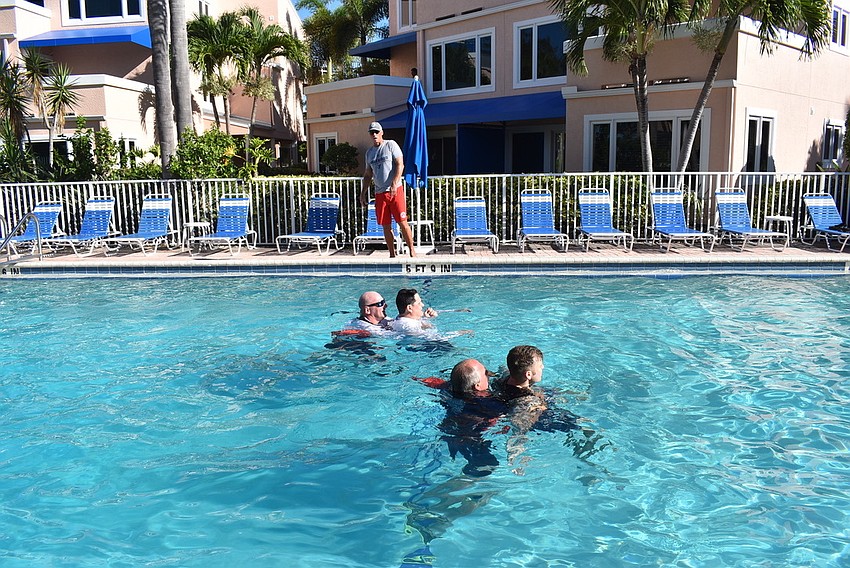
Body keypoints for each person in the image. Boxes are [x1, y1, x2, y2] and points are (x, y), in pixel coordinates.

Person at [360, 121, 417, 258]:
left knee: (402, 222)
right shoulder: (369, 153)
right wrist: (362, 193)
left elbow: (400, 164)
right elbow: (368, 174)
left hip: (395, 190)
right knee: (386, 225)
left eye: (376, 132)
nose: (374, 134)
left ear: (381, 133)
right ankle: (392, 254)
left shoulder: (390, 145)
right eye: (371, 132)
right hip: (380, 194)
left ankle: (412, 251)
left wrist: (394, 183)